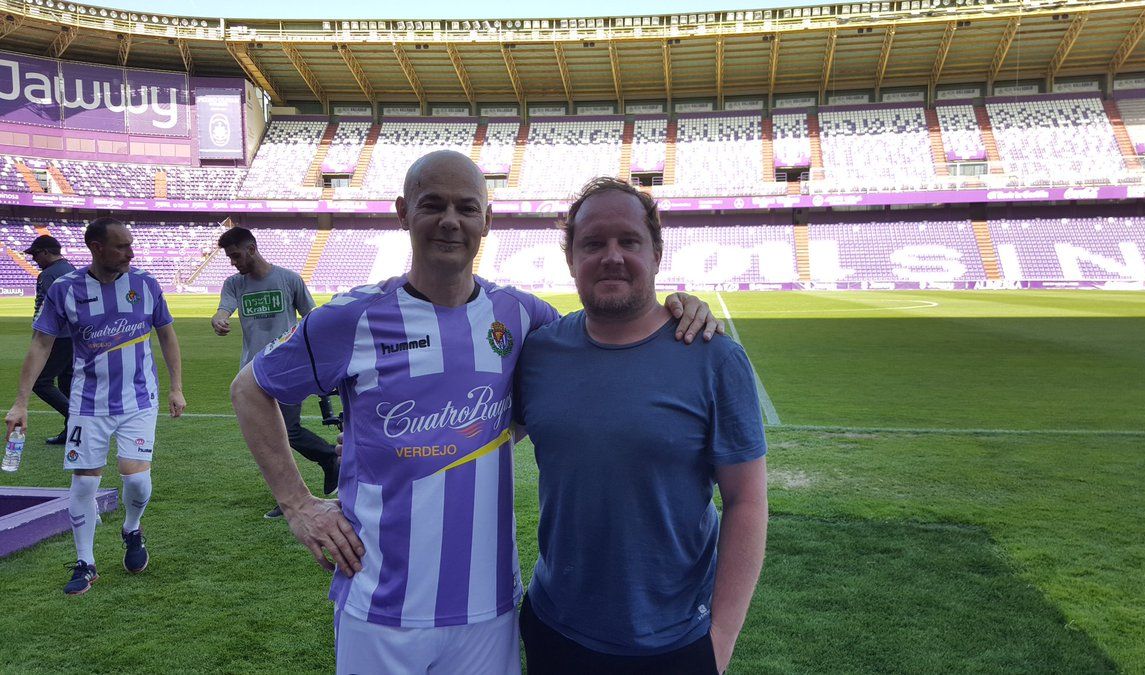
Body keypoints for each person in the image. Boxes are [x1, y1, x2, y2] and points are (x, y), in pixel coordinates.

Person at [230, 150, 721, 675]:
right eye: (432, 205)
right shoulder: (353, 318)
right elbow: (250, 388)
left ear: (486, 220)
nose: (450, 221)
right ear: (403, 212)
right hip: (379, 605)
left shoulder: (521, 315)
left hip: (490, 609)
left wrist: (675, 309)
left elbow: (601, 341)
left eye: (466, 208)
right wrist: (298, 504)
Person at [515, 177, 768, 674]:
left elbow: (747, 501)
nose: (611, 256)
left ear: (656, 253)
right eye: (593, 243)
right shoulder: (539, 353)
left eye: (628, 241)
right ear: (571, 259)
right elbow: (471, 433)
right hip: (554, 629)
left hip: (675, 642)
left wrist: (720, 638)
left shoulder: (714, 357)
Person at [5, 217, 186, 596]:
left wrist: (176, 387)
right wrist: (21, 401)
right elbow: (41, 344)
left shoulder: (145, 284)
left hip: (139, 399)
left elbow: (167, 334)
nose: (130, 253)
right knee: (85, 481)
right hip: (87, 403)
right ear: (96, 247)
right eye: (121, 246)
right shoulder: (64, 289)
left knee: (136, 479)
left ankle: (131, 528)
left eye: (130, 245)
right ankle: (85, 562)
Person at [211, 226, 339, 518]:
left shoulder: (289, 279)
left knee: (288, 431)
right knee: (269, 438)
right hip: (252, 374)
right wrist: (218, 319)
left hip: (287, 369)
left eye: (236, 255)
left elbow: (312, 318)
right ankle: (296, 489)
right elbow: (223, 309)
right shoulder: (234, 284)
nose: (233, 262)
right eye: (230, 257)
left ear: (251, 249)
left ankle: (326, 460)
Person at [24, 234, 75, 445]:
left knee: (40, 382)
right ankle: (73, 430)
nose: (34, 259)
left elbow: (46, 308)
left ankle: (76, 419)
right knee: (66, 380)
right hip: (73, 335)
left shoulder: (49, 274)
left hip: (57, 336)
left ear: (46, 252)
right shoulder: (70, 268)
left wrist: (39, 337)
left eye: (35, 254)